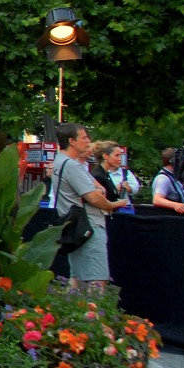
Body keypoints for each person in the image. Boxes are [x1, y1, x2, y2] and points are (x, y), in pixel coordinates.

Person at [51, 122, 122, 290]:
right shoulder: (72, 165)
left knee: (77, 279)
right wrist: (112, 204)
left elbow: (97, 188)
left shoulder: (60, 162)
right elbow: (94, 198)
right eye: (84, 137)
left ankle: (71, 307)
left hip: (76, 228)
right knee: (97, 280)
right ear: (72, 141)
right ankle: (94, 308)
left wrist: (98, 190)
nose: (88, 141)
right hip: (89, 227)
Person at [151, 146, 184, 214]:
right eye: (181, 161)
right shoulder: (163, 178)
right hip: (169, 217)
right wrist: (175, 205)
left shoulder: (174, 176)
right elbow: (157, 200)